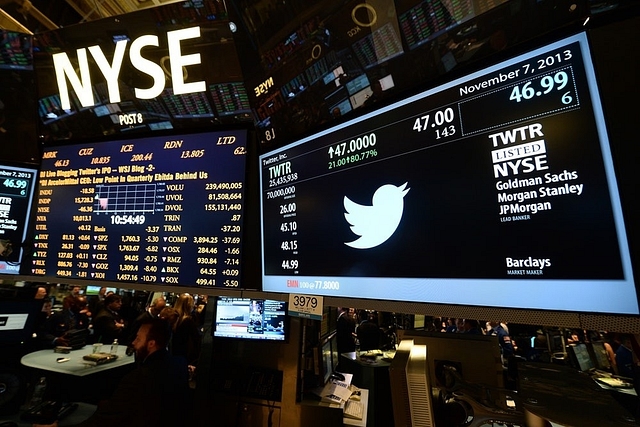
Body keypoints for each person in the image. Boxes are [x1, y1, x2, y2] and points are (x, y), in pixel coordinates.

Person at [34, 317, 191, 427]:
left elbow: (105, 421)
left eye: (138, 339)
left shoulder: (138, 378)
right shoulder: (179, 364)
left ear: (151, 344)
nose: (133, 343)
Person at [172, 293, 202, 372]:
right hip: (184, 355)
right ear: (189, 305)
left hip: (172, 354)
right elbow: (196, 338)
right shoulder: (188, 320)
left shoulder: (173, 318)